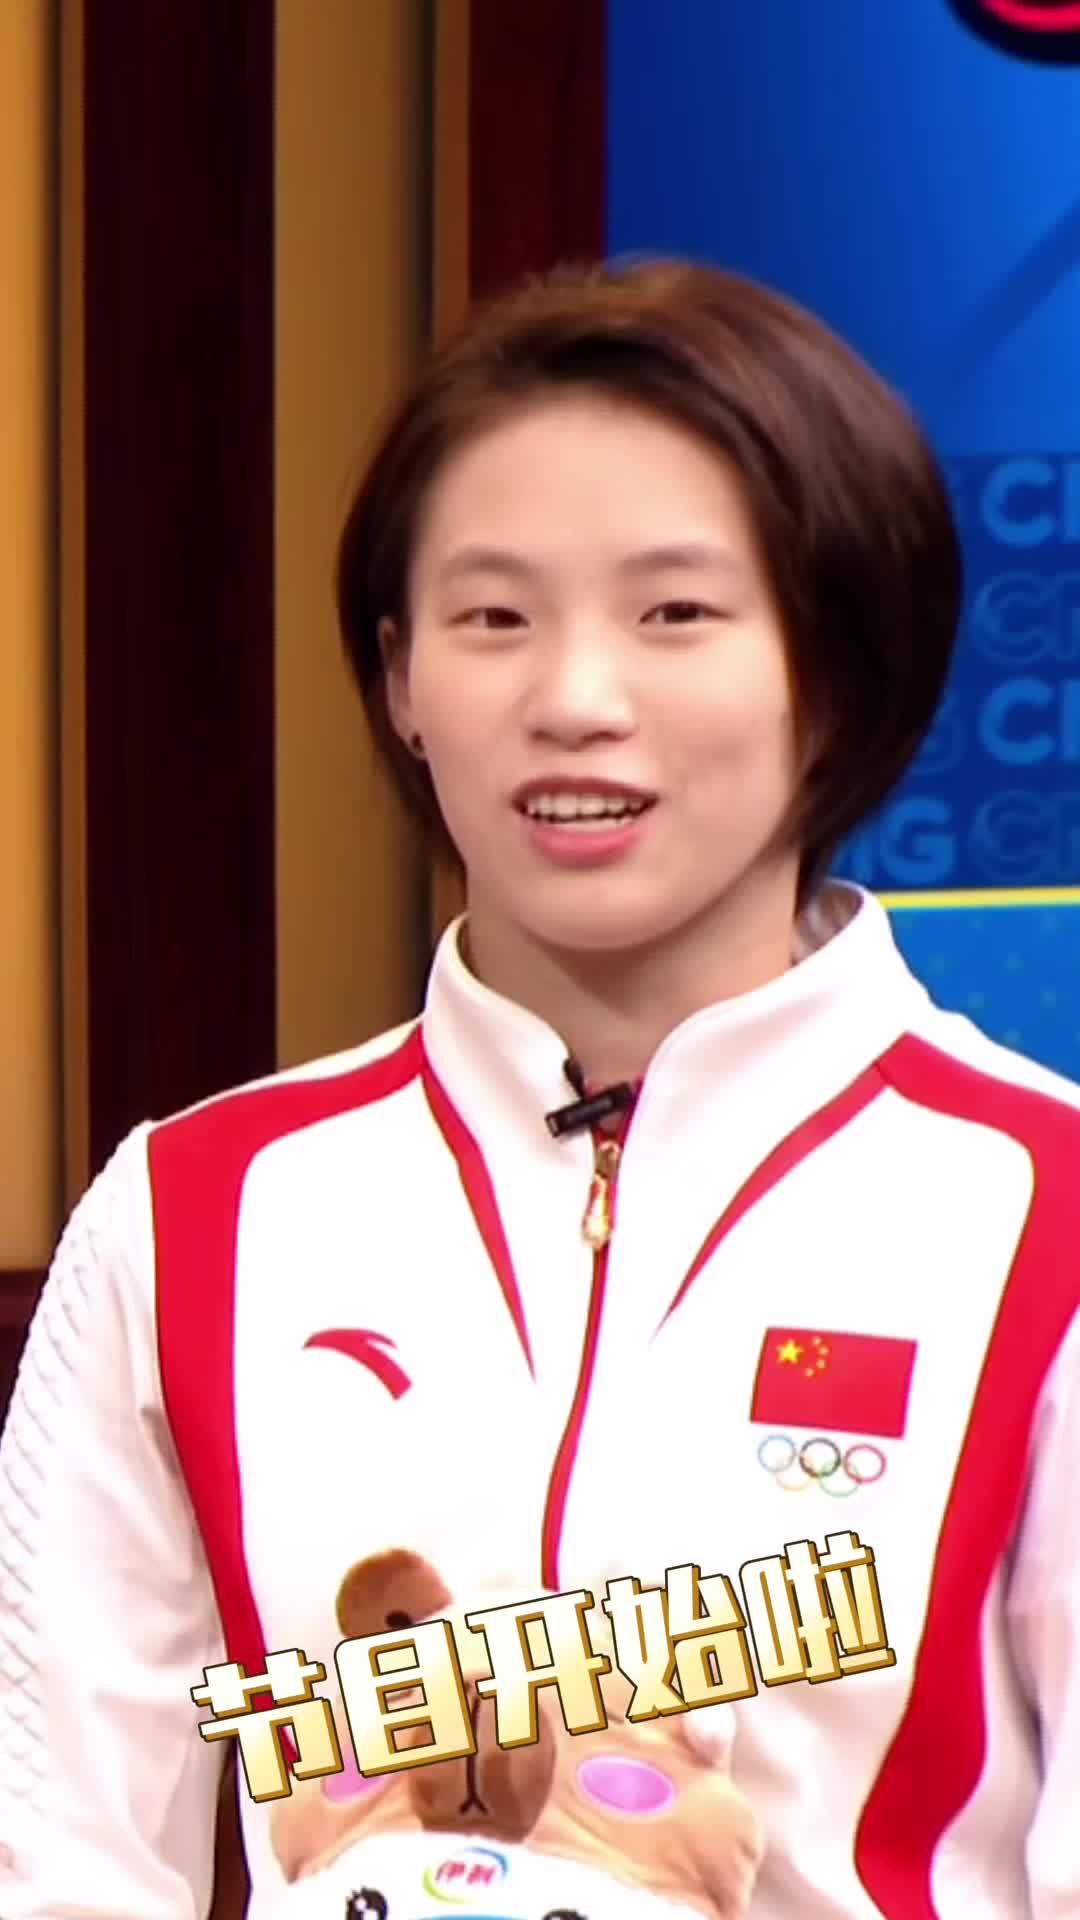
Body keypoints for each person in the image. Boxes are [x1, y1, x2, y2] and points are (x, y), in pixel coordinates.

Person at [1, 258, 1078, 1920]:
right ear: (399, 679)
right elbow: (69, 1867)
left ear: (839, 670)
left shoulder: (1041, 1211)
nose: (574, 701)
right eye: (493, 618)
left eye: (676, 614)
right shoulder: (195, 1217)